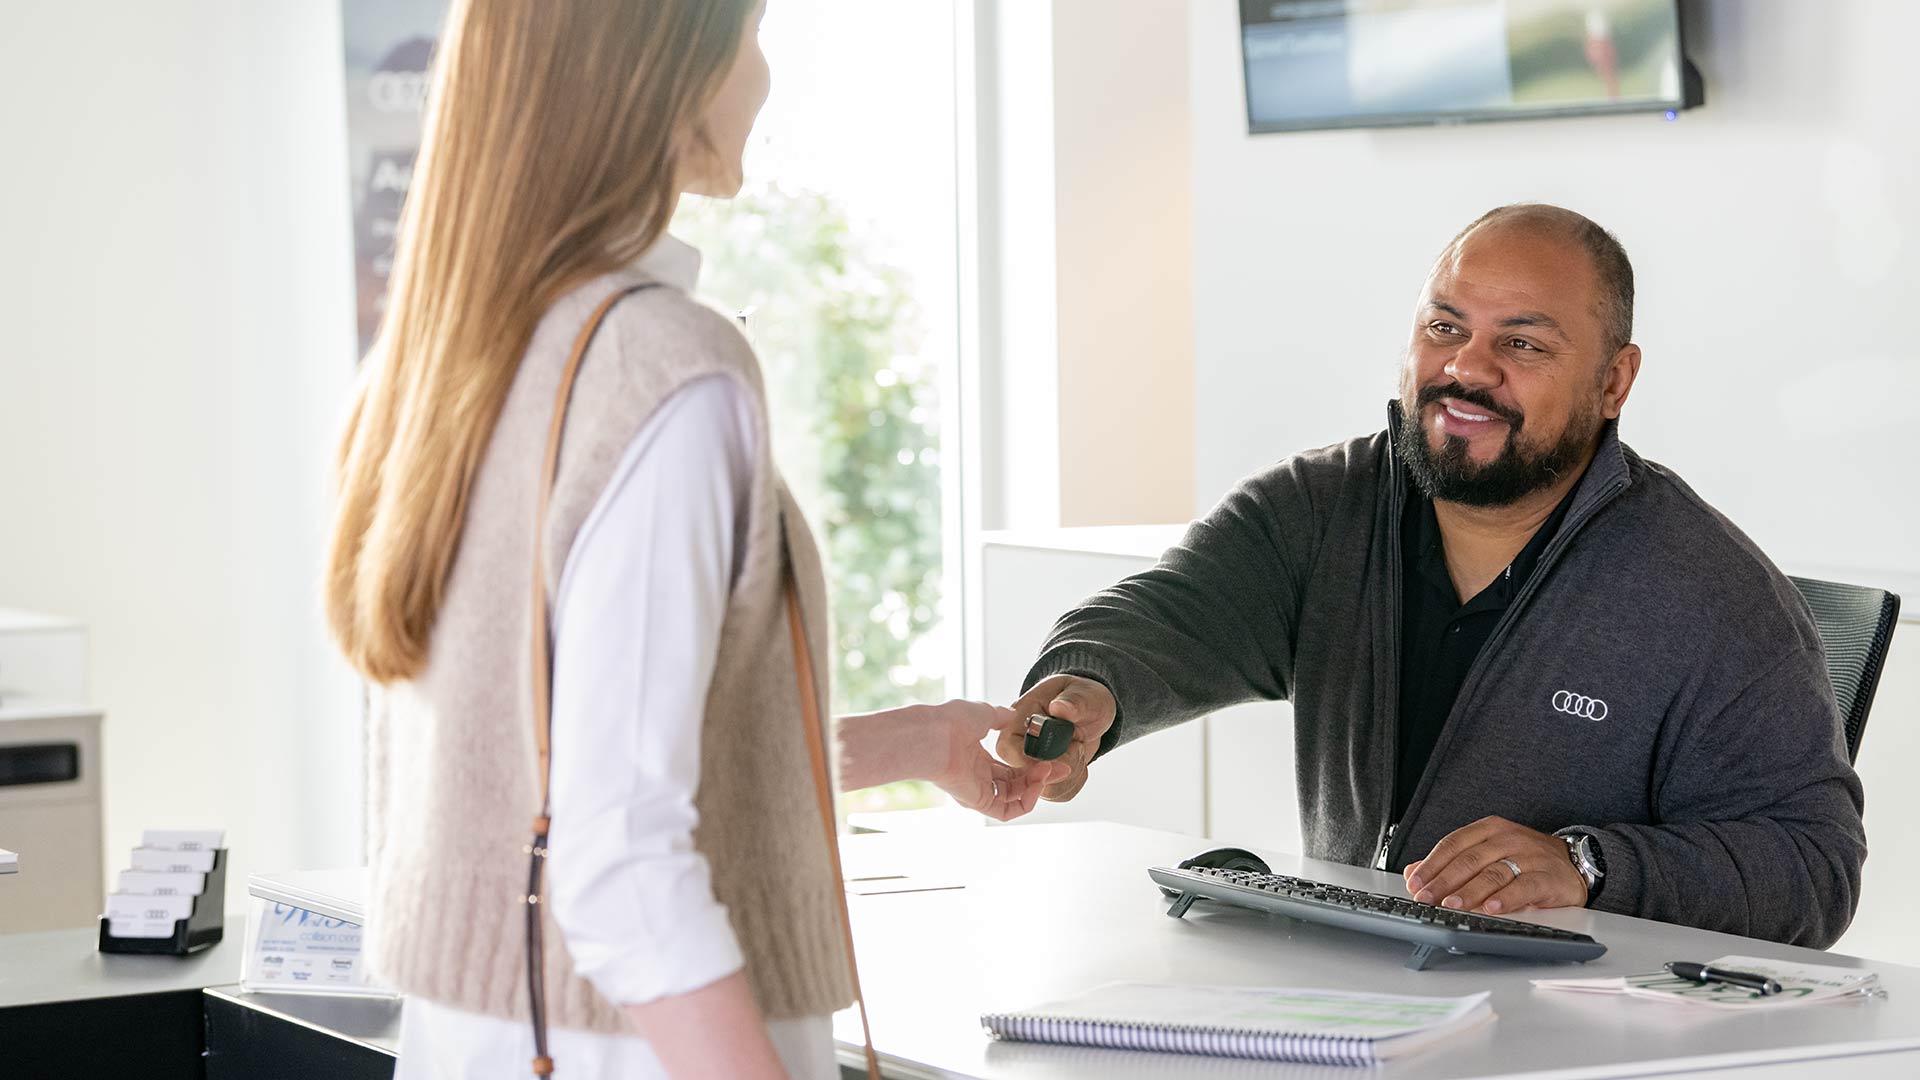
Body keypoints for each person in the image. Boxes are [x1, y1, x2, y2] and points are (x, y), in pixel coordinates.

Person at [324, 3, 1058, 1078]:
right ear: (660, 67)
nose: (764, 78)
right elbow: (620, 861)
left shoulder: (455, 356)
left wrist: (914, 743)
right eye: (750, 34)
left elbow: (564, 757)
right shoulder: (665, 369)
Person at [1000, 203, 1867, 948]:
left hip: (1581, 1042)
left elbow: (1813, 867)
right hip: (1352, 998)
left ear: (1614, 381)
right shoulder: (1318, 507)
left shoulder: (1714, 594)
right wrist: (1086, 691)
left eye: (1521, 343)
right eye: (1445, 327)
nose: (1466, 369)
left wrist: (1588, 865)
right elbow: (1176, 614)